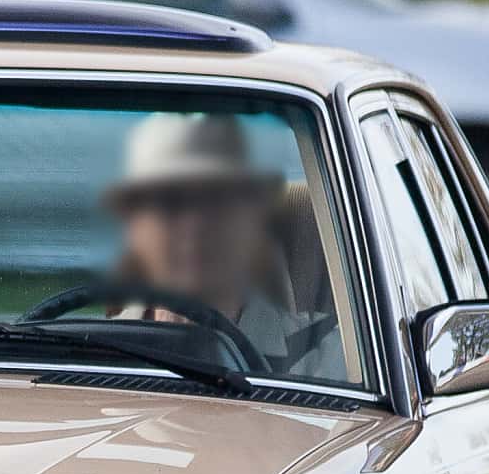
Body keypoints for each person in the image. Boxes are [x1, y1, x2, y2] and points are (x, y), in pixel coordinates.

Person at [103, 111, 345, 379]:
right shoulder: (86, 353)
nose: (193, 225)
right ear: (135, 226)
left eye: (216, 199)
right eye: (170, 201)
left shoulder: (331, 362)